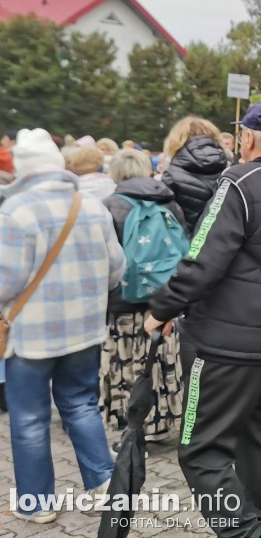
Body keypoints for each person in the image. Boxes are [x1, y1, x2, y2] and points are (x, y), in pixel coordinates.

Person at [143, 101, 261, 538]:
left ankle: (242, 531)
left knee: (201, 452)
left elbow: (201, 259)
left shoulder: (239, 181)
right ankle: (259, 524)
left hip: (227, 346)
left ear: (246, 138)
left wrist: (161, 309)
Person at [1, 128, 125, 524]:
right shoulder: (91, 207)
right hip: (84, 331)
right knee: (81, 405)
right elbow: (115, 271)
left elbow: (4, 279)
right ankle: (105, 485)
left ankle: (38, 505)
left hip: (30, 337)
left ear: (23, 169)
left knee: (31, 420)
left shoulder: (15, 212)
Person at [99, 149, 186, 441]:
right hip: (165, 300)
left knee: (125, 365)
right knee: (159, 359)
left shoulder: (110, 205)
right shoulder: (168, 201)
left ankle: (130, 428)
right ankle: (160, 423)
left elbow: (105, 258)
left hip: (123, 300)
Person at [160, 116, 229, 233]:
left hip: (184, 245)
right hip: (222, 244)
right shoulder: (230, 172)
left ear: (176, 140)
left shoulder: (171, 176)